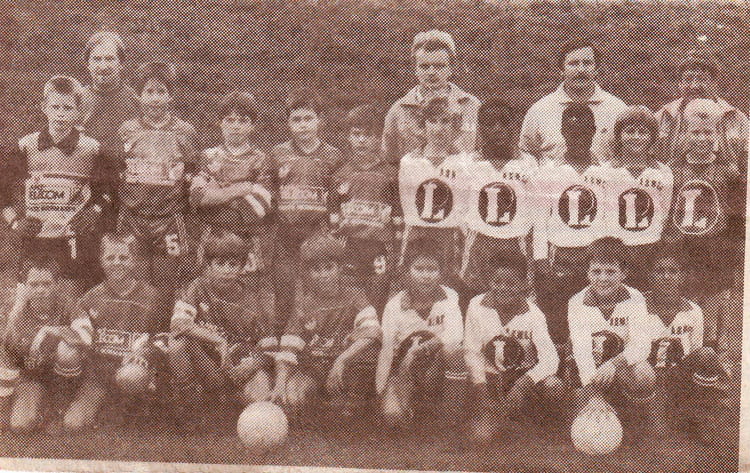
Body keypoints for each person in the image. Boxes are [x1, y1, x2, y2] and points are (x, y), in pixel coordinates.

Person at [0, 75, 116, 292]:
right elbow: (3, 189)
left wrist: (95, 211)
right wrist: (15, 222)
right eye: (55, 107)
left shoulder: (91, 149)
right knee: (29, 299)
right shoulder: (26, 145)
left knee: (71, 298)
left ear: (78, 111)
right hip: (35, 238)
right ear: (44, 107)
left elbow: (110, 188)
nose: (61, 114)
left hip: (73, 239)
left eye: (68, 108)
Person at [60, 232, 170, 432]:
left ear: (134, 260)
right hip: (99, 375)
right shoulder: (90, 297)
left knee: (130, 377)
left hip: (132, 370)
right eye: (110, 257)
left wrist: (145, 352)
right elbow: (79, 334)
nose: (117, 262)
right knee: (72, 424)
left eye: (123, 257)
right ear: (101, 261)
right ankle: (100, 404)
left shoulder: (152, 297)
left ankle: (131, 407)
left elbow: (164, 337)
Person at [169, 230, 276, 427]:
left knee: (260, 405)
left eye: (233, 264)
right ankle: (191, 404)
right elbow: (178, 324)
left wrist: (251, 366)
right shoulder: (198, 287)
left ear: (242, 267)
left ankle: (229, 399)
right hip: (206, 359)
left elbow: (269, 347)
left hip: (238, 363)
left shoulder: (251, 300)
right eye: (220, 264)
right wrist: (218, 340)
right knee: (177, 343)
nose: (226, 270)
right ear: (209, 266)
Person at [271, 234, 381, 421]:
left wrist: (341, 361)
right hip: (316, 368)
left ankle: (353, 400)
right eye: (316, 269)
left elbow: (372, 332)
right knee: (292, 399)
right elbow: (289, 347)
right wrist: (280, 384)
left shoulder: (355, 296)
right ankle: (319, 404)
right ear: (308, 273)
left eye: (329, 267)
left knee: (368, 350)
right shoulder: (304, 305)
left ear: (339, 268)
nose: (324, 275)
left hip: (346, 367)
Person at [463, 252, 563, 442]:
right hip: (490, 379)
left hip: (521, 378)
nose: (503, 288)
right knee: (481, 438)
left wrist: (523, 384)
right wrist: (481, 387)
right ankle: (494, 415)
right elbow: (471, 351)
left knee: (554, 386)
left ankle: (540, 424)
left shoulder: (533, 314)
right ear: (489, 281)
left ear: (524, 284)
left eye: (511, 283)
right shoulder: (476, 305)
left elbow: (551, 359)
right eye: (497, 282)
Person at [116, 61, 198, 292]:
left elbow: (193, 174)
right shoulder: (127, 130)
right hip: (133, 218)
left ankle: (166, 317)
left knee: (166, 284)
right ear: (139, 95)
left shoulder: (185, 131)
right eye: (148, 92)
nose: (154, 98)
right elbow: (118, 171)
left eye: (161, 92)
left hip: (169, 219)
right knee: (135, 284)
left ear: (170, 95)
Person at [531, 104, 608, 345]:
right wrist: (541, 258)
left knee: (590, 315)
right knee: (557, 317)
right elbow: (540, 217)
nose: (579, 139)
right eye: (573, 133)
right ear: (563, 132)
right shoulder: (550, 171)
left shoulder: (605, 171)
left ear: (594, 131)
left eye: (584, 133)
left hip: (593, 254)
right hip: (560, 254)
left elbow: (607, 216)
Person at [566, 237, 657, 438]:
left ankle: (638, 419)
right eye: (596, 271)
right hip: (588, 370)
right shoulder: (577, 303)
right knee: (584, 425)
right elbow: (581, 353)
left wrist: (614, 364)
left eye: (611, 271)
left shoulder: (635, 297)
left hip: (619, 368)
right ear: (587, 273)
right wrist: (593, 393)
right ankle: (597, 401)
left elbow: (641, 345)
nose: (603, 278)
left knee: (645, 374)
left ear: (624, 273)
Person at [271, 87, 343, 335]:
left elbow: (338, 197)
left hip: (316, 232)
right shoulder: (278, 153)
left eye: (308, 118)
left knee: (316, 291)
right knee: (284, 291)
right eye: (296, 119)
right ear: (288, 123)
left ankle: (317, 341)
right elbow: (268, 190)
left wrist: (332, 228)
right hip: (286, 234)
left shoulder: (333, 156)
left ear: (320, 120)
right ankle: (279, 341)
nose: (302, 125)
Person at [375, 238, 466, 429]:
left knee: (455, 352)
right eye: (419, 269)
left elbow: (455, 334)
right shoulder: (395, 305)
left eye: (432, 269)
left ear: (441, 272)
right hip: (406, 369)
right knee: (392, 417)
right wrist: (381, 390)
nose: (426, 276)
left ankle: (450, 418)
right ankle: (411, 403)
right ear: (408, 271)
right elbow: (387, 349)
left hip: (437, 367)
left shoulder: (449, 296)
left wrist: (422, 349)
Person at [190, 91, 275, 280]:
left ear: (252, 125)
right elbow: (197, 197)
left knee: (247, 288)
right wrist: (240, 190)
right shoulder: (208, 157)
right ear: (220, 123)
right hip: (213, 235)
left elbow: (259, 207)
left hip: (247, 237)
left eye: (243, 121)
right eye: (229, 120)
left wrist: (217, 193)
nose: (236, 126)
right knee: (210, 285)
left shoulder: (261, 160)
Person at [666, 98, 743, 304]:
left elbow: (736, 217)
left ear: (717, 134)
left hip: (715, 249)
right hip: (681, 248)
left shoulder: (728, 171)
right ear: (685, 133)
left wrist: (731, 253)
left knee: (714, 303)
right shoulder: (672, 170)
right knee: (684, 305)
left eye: (708, 132)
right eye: (696, 132)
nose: (702, 138)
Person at [397, 96, 472, 296]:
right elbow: (406, 205)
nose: (439, 128)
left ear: (455, 126)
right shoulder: (409, 162)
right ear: (423, 124)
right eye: (433, 121)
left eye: (445, 121)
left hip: (449, 233)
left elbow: (465, 205)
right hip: (418, 231)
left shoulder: (464, 162)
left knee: (449, 288)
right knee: (413, 286)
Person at [461, 99, 535, 295]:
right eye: (490, 124)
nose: (498, 129)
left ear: (515, 126)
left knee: (515, 296)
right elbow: (460, 209)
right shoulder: (469, 163)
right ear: (480, 128)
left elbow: (536, 211)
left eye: (504, 123)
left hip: (515, 242)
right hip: (479, 243)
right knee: (474, 297)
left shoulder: (528, 164)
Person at [330, 104, 399, 313]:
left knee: (377, 297)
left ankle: (375, 331)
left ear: (379, 138)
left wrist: (396, 247)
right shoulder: (341, 173)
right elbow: (333, 213)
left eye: (368, 135)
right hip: (350, 245)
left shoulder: (390, 174)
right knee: (349, 300)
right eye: (356, 134)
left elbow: (398, 214)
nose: (361, 140)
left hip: (379, 247)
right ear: (348, 137)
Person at [0, 256, 79, 432]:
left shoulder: (67, 305)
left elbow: (86, 336)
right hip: (32, 377)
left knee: (68, 350)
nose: (40, 290)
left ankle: (59, 408)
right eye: (34, 284)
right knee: (20, 426)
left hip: (61, 379)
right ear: (24, 286)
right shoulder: (14, 311)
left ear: (57, 284)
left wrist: (54, 331)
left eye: (46, 284)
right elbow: (6, 353)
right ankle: (38, 407)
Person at [519, 39, 627, 164]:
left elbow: (628, 155)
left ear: (596, 69)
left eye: (587, 63)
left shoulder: (617, 109)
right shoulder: (539, 110)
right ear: (561, 70)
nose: (581, 70)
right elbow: (526, 152)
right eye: (573, 63)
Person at [382, 30, 480, 166]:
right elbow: (389, 160)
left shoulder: (471, 106)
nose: (431, 72)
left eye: (439, 66)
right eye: (424, 66)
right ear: (415, 69)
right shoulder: (398, 111)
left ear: (451, 68)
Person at [603, 106, 673, 290]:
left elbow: (665, 211)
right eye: (629, 131)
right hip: (616, 248)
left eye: (642, 132)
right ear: (619, 135)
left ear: (652, 137)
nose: (636, 137)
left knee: (647, 297)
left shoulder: (663, 171)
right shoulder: (606, 170)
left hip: (650, 247)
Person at [655, 49, 748, 171]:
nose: (694, 86)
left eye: (702, 79)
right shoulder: (663, 117)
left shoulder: (737, 119)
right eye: (688, 79)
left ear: (714, 83)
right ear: (680, 83)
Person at [79, 32, 140, 154]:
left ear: (121, 63)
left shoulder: (136, 102)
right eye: (97, 59)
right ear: (88, 64)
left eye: (109, 59)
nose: (103, 67)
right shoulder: (76, 100)